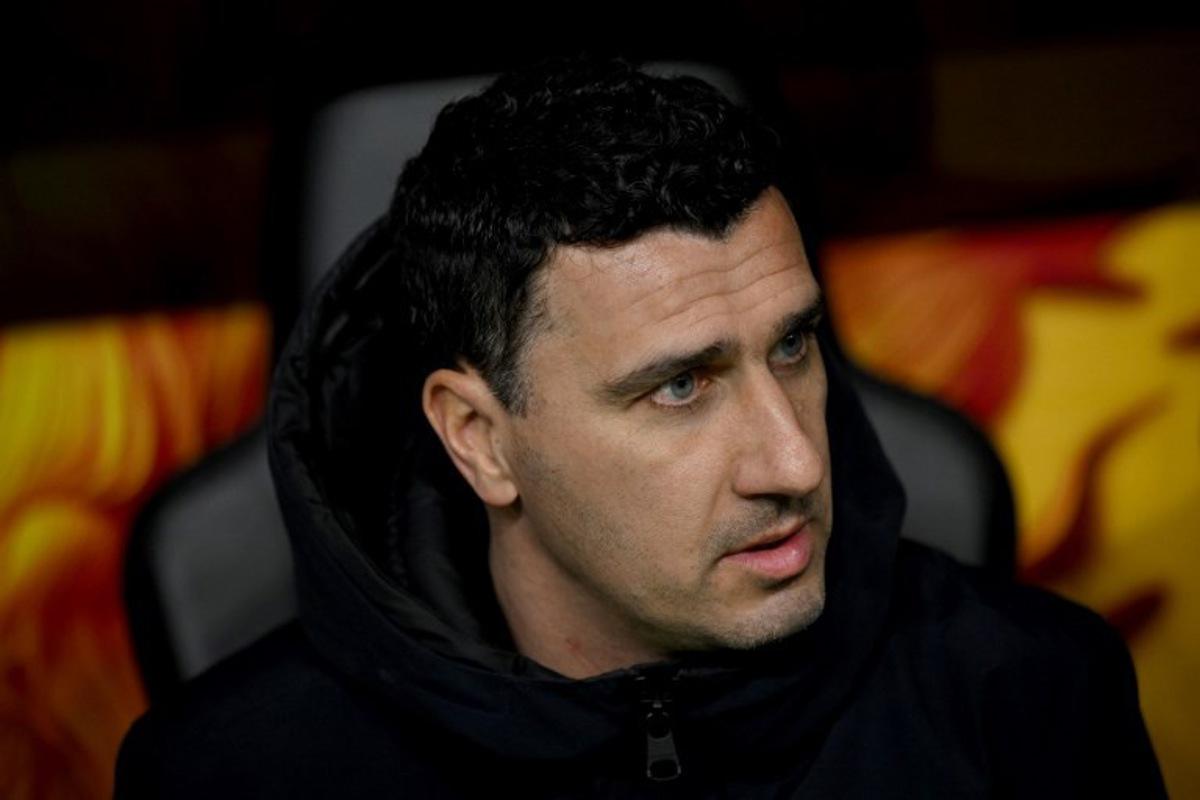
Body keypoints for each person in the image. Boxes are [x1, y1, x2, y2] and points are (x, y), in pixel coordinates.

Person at [115, 56, 1166, 797]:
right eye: (679, 386)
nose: (797, 458)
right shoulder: (229, 772)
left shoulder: (1031, 692)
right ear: (478, 437)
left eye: (793, 347)